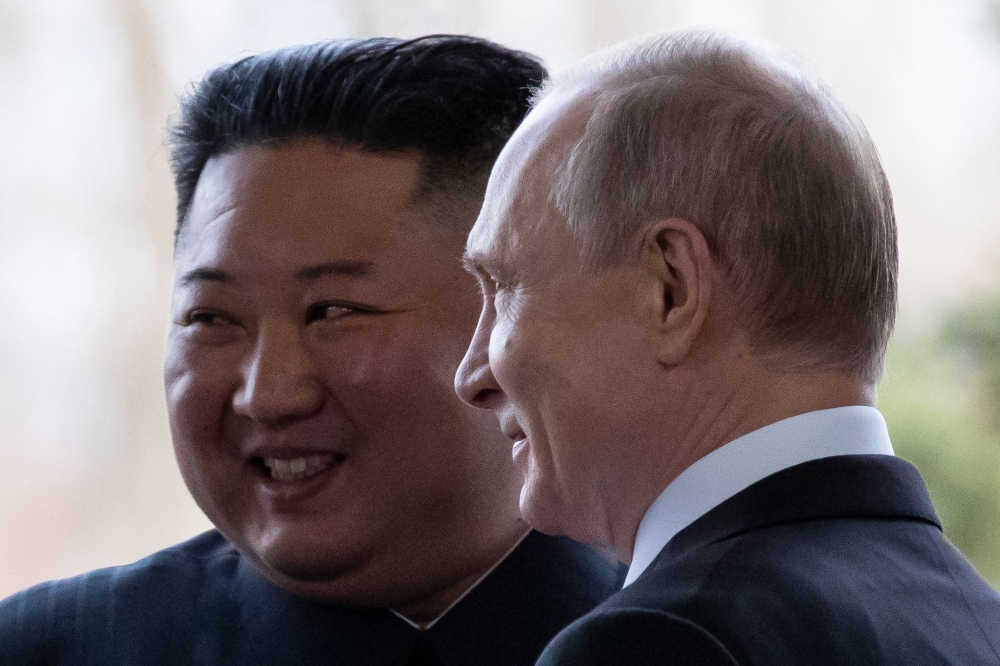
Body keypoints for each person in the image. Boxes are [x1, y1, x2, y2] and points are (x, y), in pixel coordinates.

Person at [0, 36, 625, 666]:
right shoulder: (48, 648)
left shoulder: (694, 630)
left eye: (333, 312)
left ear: (514, 317)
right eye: (211, 317)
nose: (267, 395)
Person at [455, 30, 1000, 665]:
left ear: (671, 288)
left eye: (505, 287)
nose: (473, 373)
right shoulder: (978, 622)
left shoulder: (660, 643)